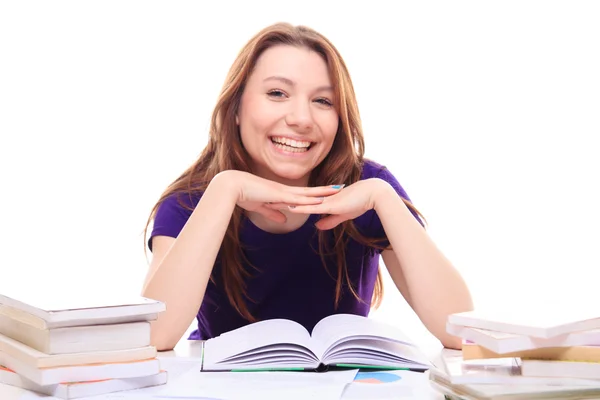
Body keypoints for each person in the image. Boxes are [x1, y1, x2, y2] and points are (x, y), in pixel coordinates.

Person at [142, 22, 473, 351]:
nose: (301, 118)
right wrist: (225, 191)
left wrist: (384, 199)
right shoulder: (190, 200)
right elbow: (156, 336)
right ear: (237, 108)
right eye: (277, 93)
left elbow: (460, 331)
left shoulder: (368, 188)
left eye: (323, 101)